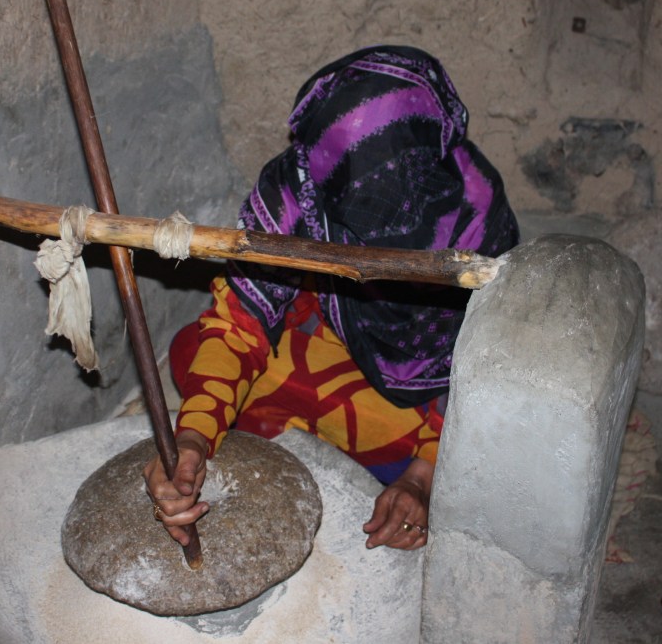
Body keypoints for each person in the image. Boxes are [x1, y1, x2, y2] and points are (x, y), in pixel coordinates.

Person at [143, 46, 519, 550]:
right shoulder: (298, 187)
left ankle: (406, 468)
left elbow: (485, 365)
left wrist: (422, 477)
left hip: (425, 394)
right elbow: (239, 322)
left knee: (490, 449)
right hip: (336, 343)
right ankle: (367, 456)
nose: (368, 226)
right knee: (193, 352)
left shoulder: (475, 214)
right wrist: (191, 439)